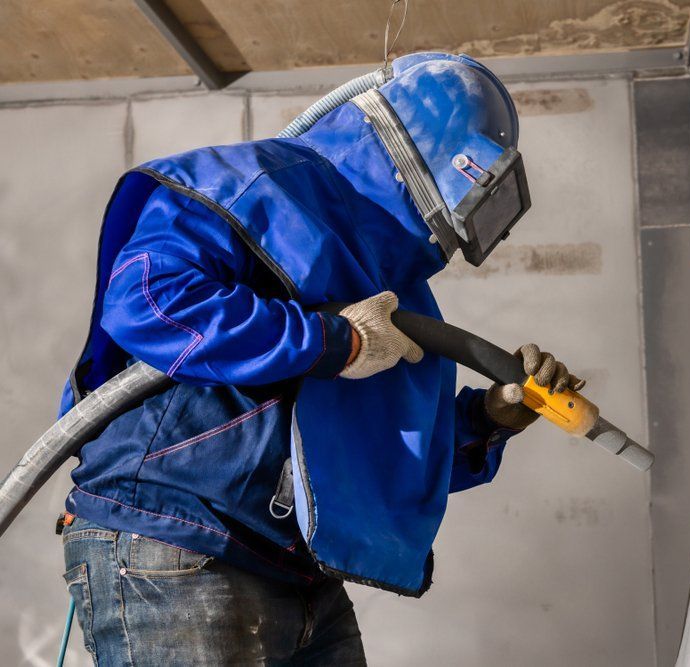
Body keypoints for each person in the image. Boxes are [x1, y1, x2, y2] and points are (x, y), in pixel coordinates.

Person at [57, 52, 582, 665]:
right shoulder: (253, 185)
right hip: (178, 538)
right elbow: (150, 302)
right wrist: (337, 343)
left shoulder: (396, 287)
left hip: (295, 567)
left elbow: (380, 458)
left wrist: (491, 420)